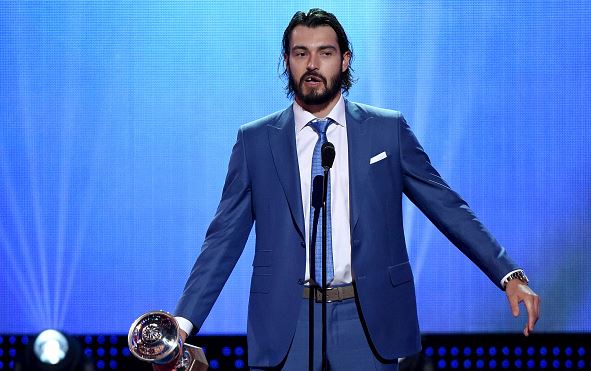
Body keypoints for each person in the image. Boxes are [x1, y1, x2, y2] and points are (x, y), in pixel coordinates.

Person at [173, 8, 540, 370]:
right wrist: (183, 324)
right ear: (286, 61)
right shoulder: (255, 141)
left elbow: (446, 206)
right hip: (288, 319)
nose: (312, 64)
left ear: (345, 60)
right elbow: (222, 239)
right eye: (301, 53)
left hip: (367, 318)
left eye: (325, 53)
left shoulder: (386, 131)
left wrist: (507, 273)